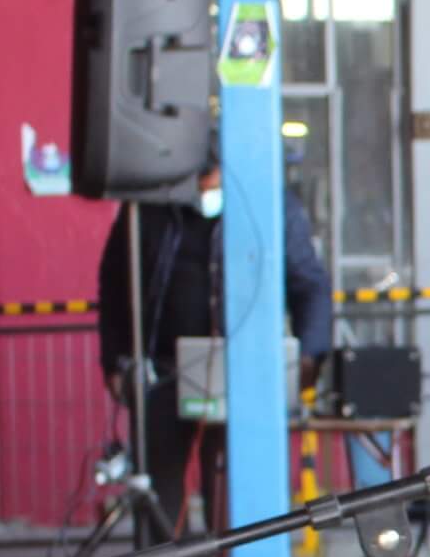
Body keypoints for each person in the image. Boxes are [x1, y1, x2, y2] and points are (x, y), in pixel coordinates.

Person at [94, 144, 334, 535]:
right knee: (158, 497)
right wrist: (115, 359)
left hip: (242, 378)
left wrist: (309, 356)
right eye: (198, 182)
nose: (205, 190)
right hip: (162, 375)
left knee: (232, 500)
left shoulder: (271, 208)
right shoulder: (151, 208)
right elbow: (115, 283)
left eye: (213, 180)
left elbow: (310, 286)